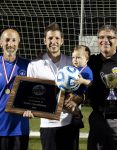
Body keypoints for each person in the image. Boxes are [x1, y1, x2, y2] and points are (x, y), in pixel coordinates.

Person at [23, 22, 83, 150]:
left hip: (69, 122)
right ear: (45, 40)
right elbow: (29, 94)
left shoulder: (71, 63)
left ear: (62, 41)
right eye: (50, 38)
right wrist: (29, 108)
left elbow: (83, 91)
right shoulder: (34, 65)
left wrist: (75, 99)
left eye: (57, 38)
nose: (53, 41)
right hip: (47, 125)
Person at [0, 27, 30, 150]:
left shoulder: (28, 65)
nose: (10, 44)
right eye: (7, 40)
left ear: (18, 43)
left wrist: (33, 108)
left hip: (20, 128)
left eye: (14, 40)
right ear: (1, 42)